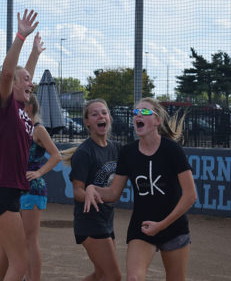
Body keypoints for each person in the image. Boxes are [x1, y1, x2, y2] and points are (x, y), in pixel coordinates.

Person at [84, 97, 198, 281]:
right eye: (135, 112)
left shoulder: (172, 150)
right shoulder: (128, 153)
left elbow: (190, 196)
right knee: (133, 278)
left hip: (174, 227)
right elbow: (113, 193)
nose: (138, 115)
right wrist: (92, 188)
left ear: (157, 121)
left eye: (144, 112)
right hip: (142, 228)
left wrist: (161, 225)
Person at [0, 9, 43, 281]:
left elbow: (21, 76)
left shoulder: (21, 108)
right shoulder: (5, 105)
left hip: (10, 189)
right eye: (26, 80)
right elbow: (10, 75)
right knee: (20, 262)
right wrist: (19, 36)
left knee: (8, 256)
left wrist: (35, 54)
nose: (31, 81)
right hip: (2, 189)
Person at [63, 98, 122, 281]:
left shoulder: (115, 149)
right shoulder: (84, 153)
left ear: (109, 118)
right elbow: (77, 191)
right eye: (94, 114)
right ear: (87, 122)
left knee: (100, 274)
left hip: (106, 219)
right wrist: (89, 191)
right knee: (114, 276)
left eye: (104, 113)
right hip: (89, 222)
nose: (100, 116)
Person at [20, 93, 61, 281]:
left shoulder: (38, 129)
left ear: (28, 107)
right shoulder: (21, 129)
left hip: (32, 189)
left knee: (30, 239)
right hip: (15, 188)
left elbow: (56, 155)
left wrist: (39, 172)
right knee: (17, 240)